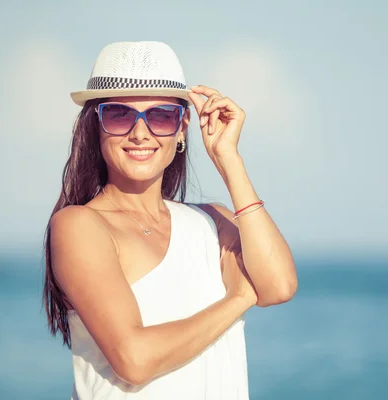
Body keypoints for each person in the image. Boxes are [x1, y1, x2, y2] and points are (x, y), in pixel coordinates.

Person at [42, 41, 298, 400]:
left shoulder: (212, 220)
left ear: (182, 127)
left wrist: (228, 159)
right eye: (119, 114)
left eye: (161, 115)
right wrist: (239, 299)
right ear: (95, 125)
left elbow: (279, 286)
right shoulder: (79, 225)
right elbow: (134, 359)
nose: (140, 132)